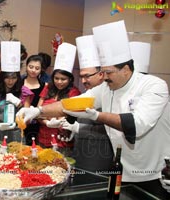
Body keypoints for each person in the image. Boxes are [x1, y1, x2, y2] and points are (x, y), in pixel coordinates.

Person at [17, 20, 170, 199]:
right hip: (122, 168)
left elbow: (138, 125)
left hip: (154, 172)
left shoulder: (153, 85)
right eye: (102, 72)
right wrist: (37, 111)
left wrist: (97, 115)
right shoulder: (106, 88)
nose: (103, 77)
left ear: (126, 70)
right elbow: (72, 103)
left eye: (108, 72)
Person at [62, 35, 113, 172]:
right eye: (81, 76)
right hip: (80, 152)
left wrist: (79, 128)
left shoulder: (110, 95)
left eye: (87, 76)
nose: (83, 81)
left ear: (101, 74)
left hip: (99, 156)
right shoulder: (87, 93)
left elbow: (112, 128)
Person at [0, 41, 33, 143]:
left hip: (17, 135)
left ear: (18, 78)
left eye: (14, 78)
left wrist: (19, 104)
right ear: (2, 78)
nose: (10, 81)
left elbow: (27, 119)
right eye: (7, 78)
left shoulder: (25, 92)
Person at [37, 43, 81, 156]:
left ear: (70, 79)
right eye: (56, 78)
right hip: (43, 137)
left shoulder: (74, 93)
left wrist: (52, 118)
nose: (59, 82)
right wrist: (47, 123)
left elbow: (69, 116)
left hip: (62, 141)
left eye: (63, 79)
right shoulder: (47, 88)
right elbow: (38, 111)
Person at [22, 54, 45, 145]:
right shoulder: (19, 82)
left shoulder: (44, 86)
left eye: (37, 68)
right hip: (19, 121)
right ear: (26, 66)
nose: (33, 70)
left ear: (41, 70)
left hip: (36, 124)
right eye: (31, 67)